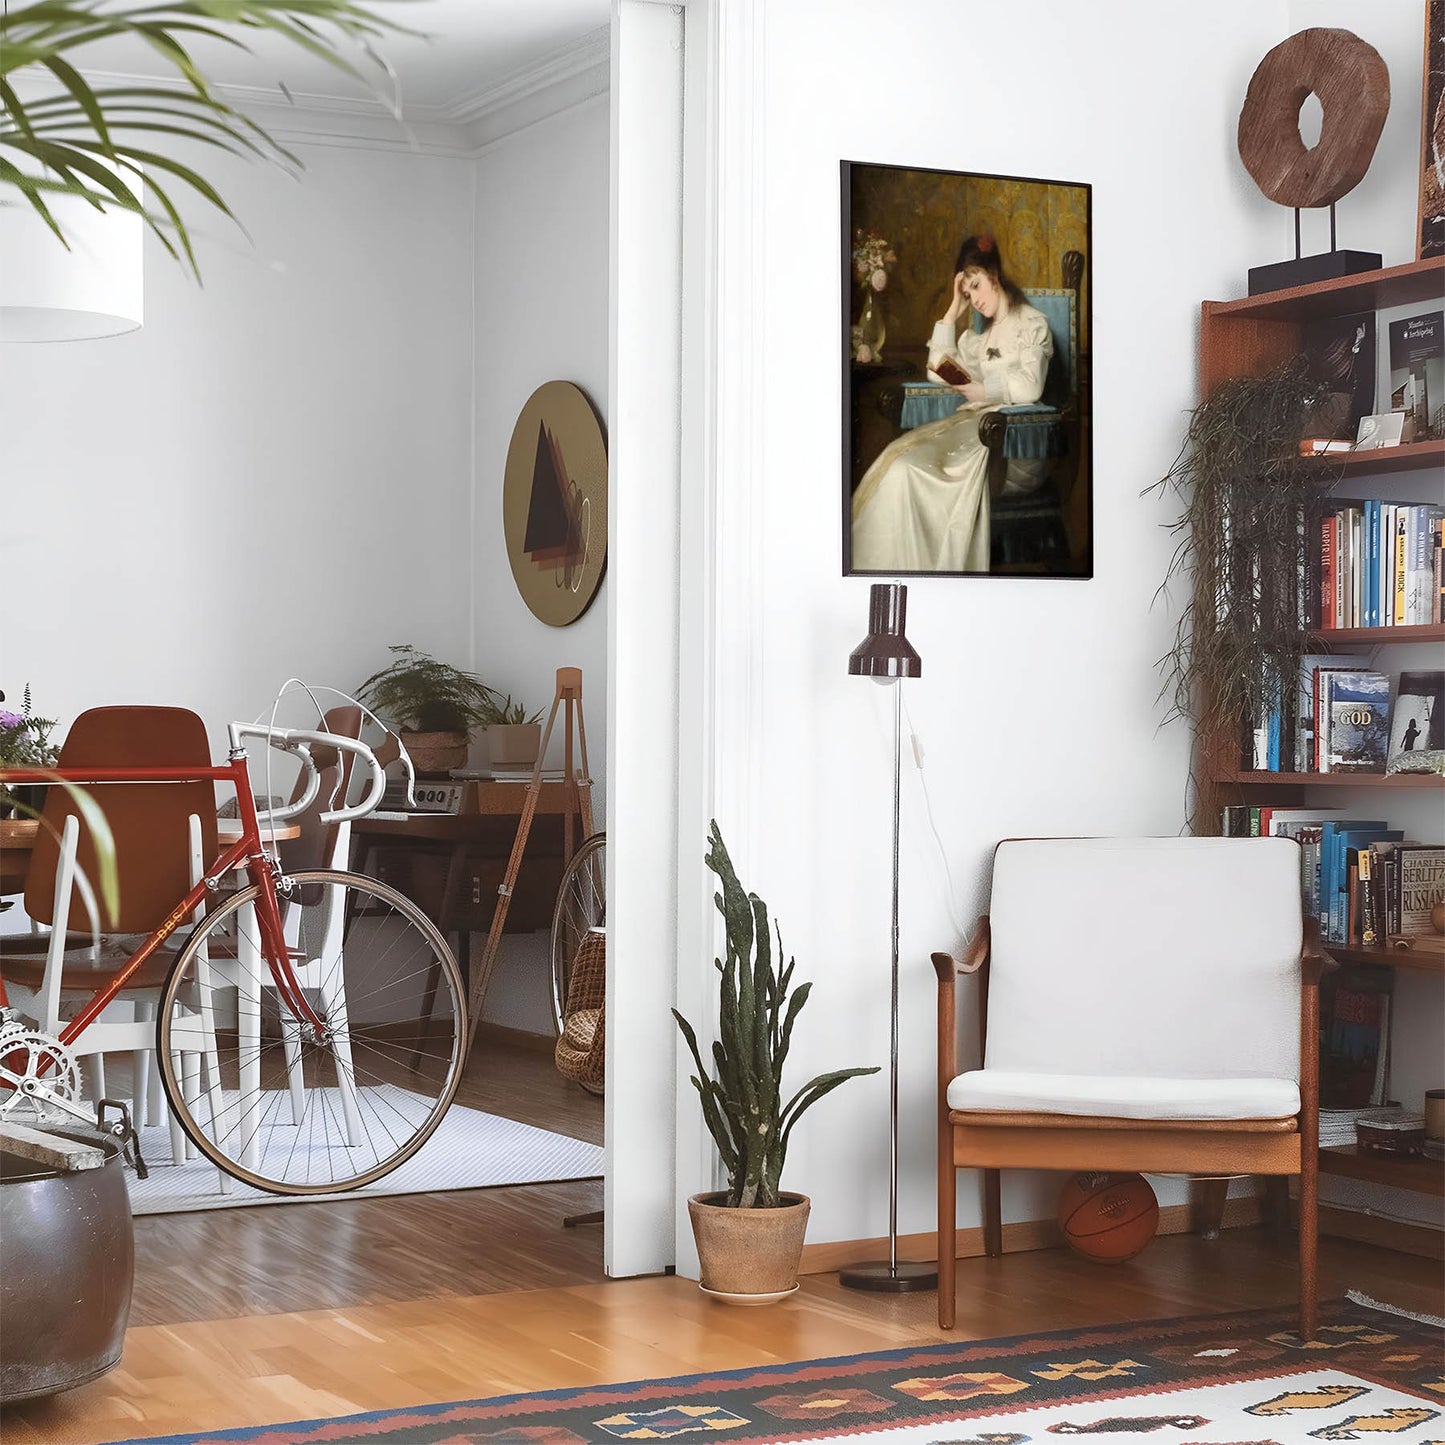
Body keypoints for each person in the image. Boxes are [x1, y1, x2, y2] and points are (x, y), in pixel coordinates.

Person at [851, 233, 1054, 573]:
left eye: (976, 286)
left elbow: (1031, 387)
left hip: (1012, 444)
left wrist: (983, 391)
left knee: (909, 472)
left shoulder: (1031, 325)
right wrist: (950, 313)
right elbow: (939, 374)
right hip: (972, 432)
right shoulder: (978, 338)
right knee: (897, 464)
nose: (973, 299)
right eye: (967, 292)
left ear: (995, 276)